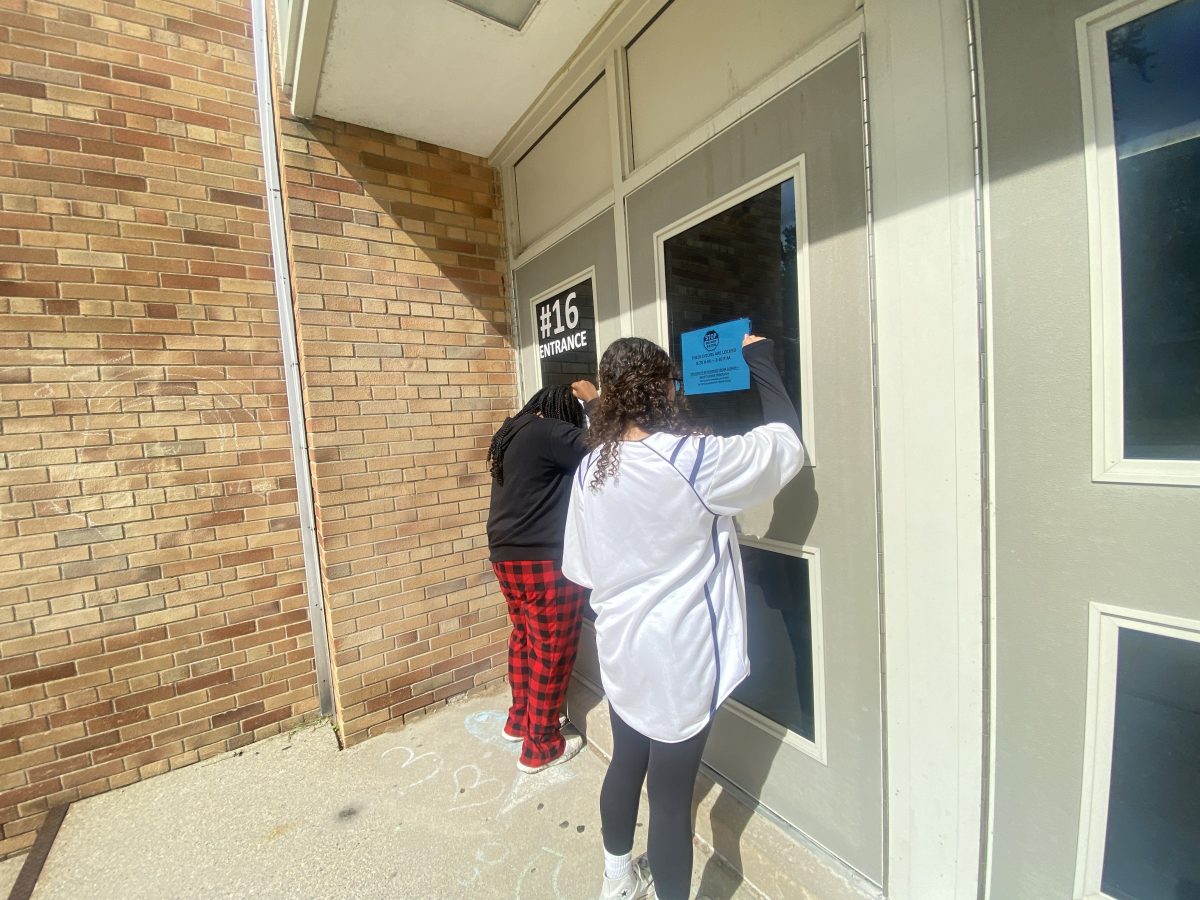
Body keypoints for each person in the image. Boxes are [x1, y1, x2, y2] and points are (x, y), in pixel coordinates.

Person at [562, 334, 803, 900]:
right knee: (670, 798)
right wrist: (760, 358)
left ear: (614, 396)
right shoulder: (695, 459)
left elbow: (584, 570)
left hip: (623, 654)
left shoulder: (592, 469)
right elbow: (784, 444)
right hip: (678, 661)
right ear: (662, 388)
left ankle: (617, 882)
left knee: (626, 764)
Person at [486, 380, 598, 774]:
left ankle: (519, 721)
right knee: (552, 648)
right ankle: (540, 746)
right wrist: (597, 403)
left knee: (525, 638)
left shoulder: (513, 430)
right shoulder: (550, 431)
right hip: (543, 560)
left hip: (507, 556)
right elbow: (608, 450)